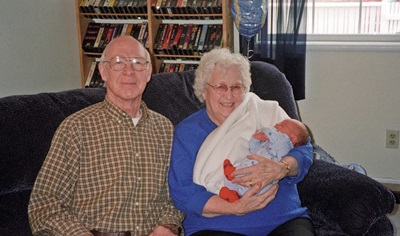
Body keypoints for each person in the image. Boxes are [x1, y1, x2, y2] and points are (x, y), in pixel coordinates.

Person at [28, 36, 183, 236]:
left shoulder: (165, 129)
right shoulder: (76, 128)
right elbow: (44, 205)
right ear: (103, 71)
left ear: (148, 72)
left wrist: (169, 225)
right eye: (118, 62)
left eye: (137, 63)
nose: (129, 71)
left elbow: (178, 193)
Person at [168, 48, 314, 235]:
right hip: (219, 226)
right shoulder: (187, 133)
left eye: (236, 87)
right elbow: (183, 192)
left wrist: (282, 167)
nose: (229, 95)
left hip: (283, 219)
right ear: (204, 90)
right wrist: (235, 207)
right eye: (220, 86)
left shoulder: (263, 111)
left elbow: (304, 149)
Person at [220, 119, 310, 202]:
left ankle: (236, 185)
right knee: (245, 170)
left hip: (265, 178)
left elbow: (304, 152)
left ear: (292, 139)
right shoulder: (271, 141)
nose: (276, 124)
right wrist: (256, 139)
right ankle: (232, 190)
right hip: (254, 166)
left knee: (253, 184)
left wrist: (266, 131)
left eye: (281, 126)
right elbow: (253, 149)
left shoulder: (284, 144)